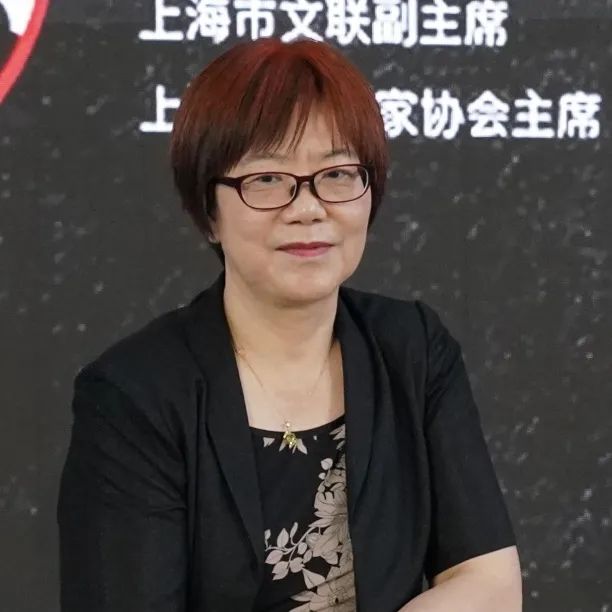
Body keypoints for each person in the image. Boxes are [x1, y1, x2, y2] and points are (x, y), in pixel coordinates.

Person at [56, 37, 521, 612]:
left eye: (338, 173)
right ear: (208, 211)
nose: (308, 208)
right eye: (267, 179)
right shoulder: (134, 396)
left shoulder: (413, 351)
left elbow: (489, 583)